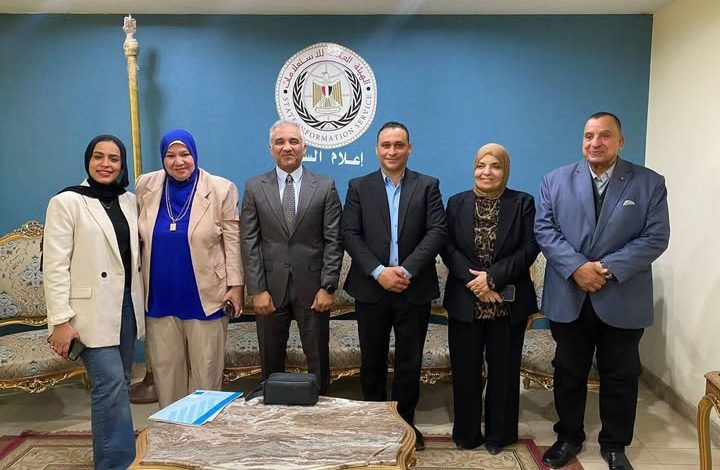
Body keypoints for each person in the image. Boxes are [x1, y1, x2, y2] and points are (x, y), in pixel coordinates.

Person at [535, 112, 670, 470]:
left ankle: (614, 445)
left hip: (622, 296)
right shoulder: (555, 180)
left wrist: (606, 269)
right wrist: (578, 268)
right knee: (568, 372)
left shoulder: (649, 183)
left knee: (620, 376)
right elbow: (545, 230)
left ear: (620, 141)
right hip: (570, 294)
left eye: (605, 135)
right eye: (589, 136)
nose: (595, 143)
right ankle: (568, 437)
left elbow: (656, 237)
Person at [341, 121, 447, 450]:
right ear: (376, 149)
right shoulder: (358, 186)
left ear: (409, 148)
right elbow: (349, 233)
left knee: (408, 364)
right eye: (386, 145)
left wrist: (406, 270)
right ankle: (376, 425)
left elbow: (437, 231)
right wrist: (378, 272)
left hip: (413, 289)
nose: (392, 151)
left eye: (398, 145)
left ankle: (404, 426)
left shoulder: (428, 185)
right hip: (371, 289)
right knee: (372, 362)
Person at [43, 134, 145, 470]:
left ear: (122, 165)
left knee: (121, 383)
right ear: (88, 160)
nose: (105, 164)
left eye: (114, 158)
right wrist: (60, 321)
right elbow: (54, 265)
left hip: (126, 306)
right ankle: (115, 464)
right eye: (98, 156)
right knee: (110, 384)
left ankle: (119, 456)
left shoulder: (129, 201)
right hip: (87, 312)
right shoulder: (67, 202)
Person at [442, 143, 539, 454]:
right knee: (465, 371)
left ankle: (500, 434)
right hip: (465, 298)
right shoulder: (456, 202)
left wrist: (492, 279)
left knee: (504, 373)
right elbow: (447, 246)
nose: (487, 172)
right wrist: (478, 283)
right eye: (481, 165)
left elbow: (530, 247)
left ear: (505, 170)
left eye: (495, 166)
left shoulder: (522, 203)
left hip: (507, 304)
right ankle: (467, 434)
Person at [136, 129, 244, 409]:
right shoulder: (145, 186)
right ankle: (172, 427)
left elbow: (233, 241)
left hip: (206, 296)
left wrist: (236, 286)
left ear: (195, 154)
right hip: (159, 296)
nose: (178, 161)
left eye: (184, 154)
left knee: (206, 371)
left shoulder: (221, 188)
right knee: (166, 372)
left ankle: (204, 429)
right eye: (170, 155)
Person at [240, 119, 343, 394]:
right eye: (280, 142)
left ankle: (319, 408)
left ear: (304, 148)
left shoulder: (325, 186)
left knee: (318, 360)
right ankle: (275, 410)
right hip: (270, 290)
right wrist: (257, 290)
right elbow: (249, 241)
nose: (287, 147)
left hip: (314, 289)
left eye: (294, 141)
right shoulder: (254, 187)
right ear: (270, 149)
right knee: (270, 361)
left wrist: (327, 286)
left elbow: (334, 240)